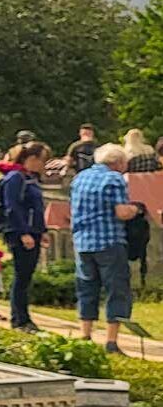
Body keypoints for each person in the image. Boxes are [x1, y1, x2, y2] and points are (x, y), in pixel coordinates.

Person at [71, 142, 139, 353]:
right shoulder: (114, 178)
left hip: (83, 242)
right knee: (116, 290)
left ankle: (85, 335)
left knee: (86, 288)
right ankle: (111, 341)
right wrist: (136, 209)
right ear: (118, 162)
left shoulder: (80, 177)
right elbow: (122, 212)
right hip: (108, 241)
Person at [0, 141, 50, 331]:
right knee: (22, 276)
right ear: (32, 159)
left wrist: (42, 230)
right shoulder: (15, 178)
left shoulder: (29, 178)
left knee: (26, 276)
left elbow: (36, 207)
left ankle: (23, 317)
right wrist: (23, 232)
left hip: (33, 232)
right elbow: (12, 207)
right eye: (43, 160)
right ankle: (19, 319)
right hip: (21, 233)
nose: (44, 165)